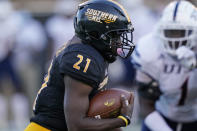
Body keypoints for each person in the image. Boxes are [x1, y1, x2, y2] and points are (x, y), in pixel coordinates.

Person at [24, 0, 135, 131]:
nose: (120, 42)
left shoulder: (91, 50)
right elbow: (76, 125)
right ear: (98, 32)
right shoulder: (82, 58)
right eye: (115, 36)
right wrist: (121, 121)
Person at [132, 0, 197, 131]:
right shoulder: (149, 50)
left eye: (181, 32)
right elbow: (145, 104)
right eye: (171, 32)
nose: (175, 38)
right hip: (161, 116)